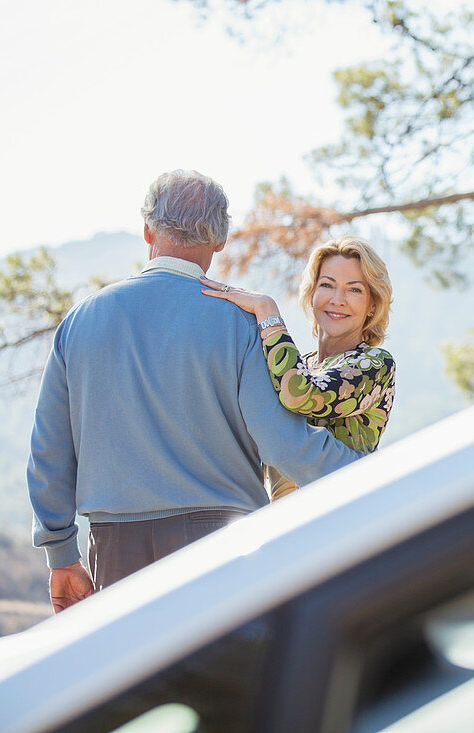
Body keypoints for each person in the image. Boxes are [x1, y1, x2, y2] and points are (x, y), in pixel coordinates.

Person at [27, 170, 363, 614]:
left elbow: (49, 449)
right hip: (224, 544)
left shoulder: (81, 320)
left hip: (114, 546)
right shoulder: (239, 322)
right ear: (220, 240)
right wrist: (371, 473)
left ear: (147, 230)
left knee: (141, 682)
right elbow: (285, 445)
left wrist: (61, 552)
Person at [201, 235, 395, 500]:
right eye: (327, 285)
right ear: (312, 293)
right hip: (286, 523)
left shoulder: (375, 364)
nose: (338, 299)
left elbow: (301, 395)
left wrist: (266, 311)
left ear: (373, 304)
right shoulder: (300, 364)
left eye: (354, 289)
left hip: (344, 519)